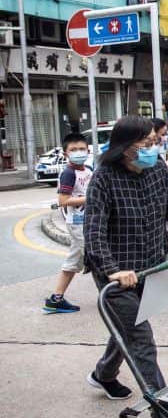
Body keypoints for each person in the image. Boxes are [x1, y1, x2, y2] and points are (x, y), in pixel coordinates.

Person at [84, 115, 168, 418]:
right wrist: (112, 269)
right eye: (146, 144)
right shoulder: (104, 179)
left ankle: (103, 374)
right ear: (124, 147)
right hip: (117, 275)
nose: (153, 148)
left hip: (150, 266)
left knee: (128, 330)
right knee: (141, 338)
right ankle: (166, 414)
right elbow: (94, 232)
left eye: (154, 143)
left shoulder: (158, 169)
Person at [43, 132, 94, 314]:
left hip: (89, 221)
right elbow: (63, 200)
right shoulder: (68, 173)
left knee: (83, 259)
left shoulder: (88, 170)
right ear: (66, 154)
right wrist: (90, 199)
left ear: (88, 151)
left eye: (82, 149)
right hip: (78, 223)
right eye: (73, 150)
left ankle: (56, 299)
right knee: (85, 258)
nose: (78, 152)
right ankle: (56, 299)